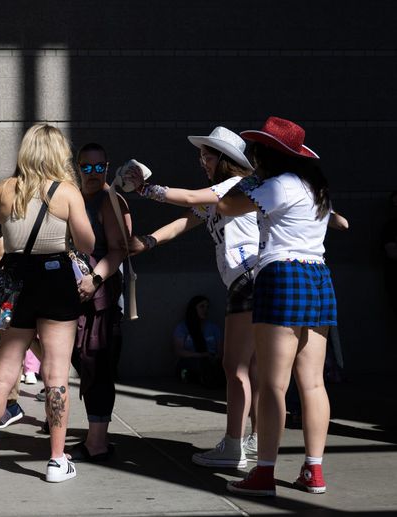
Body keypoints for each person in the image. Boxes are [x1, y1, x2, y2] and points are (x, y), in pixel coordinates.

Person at [219, 116, 337, 496]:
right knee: (314, 382)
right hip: (319, 277)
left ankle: (264, 473)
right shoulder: (313, 186)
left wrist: (247, 181)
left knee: (273, 383)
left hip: (282, 275)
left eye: (256, 153)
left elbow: (227, 207)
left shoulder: (276, 185)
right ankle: (313, 471)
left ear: (267, 155)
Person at [128, 126, 260, 468]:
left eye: (208, 155)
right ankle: (254, 440)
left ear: (226, 160)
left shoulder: (233, 186)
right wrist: (150, 241)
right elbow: (185, 221)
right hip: (251, 279)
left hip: (249, 278)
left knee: (235, 366)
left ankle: (235, 446)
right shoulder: (224, 194)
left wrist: (145, 188)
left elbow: (188, 199)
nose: (202, 161)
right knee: (254, 368)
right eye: (201, 155)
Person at [0, 123, 95, 483]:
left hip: (15, 281)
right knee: (56, 374)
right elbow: (87, 244)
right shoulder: (68, 192)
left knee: (2, 374)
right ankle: (57, 461)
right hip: (55, 279)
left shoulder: (4, 190)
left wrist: (4, 220)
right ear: (59, 154)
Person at [67, 142, 131, 463]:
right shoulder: (75, 197)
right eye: (86, 167)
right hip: (73, 296)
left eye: (98, 167)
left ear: (107, 167)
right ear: (77, 167)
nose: (92, 173)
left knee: (97, 365)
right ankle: (96, 437)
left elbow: (120, 248)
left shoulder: (110, 201)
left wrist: (94, 279)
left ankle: (97, 443)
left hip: (100, 299)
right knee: (82, 362)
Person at [172, 295, 223, 386]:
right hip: (191, 359)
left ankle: (208, 378)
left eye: (207, 307)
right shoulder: (183, 327)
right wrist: (201, 355)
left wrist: (215, 358)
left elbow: (220, 351)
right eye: (202, 306)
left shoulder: (214, 328)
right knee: (197, 365)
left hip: (210, 360)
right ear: (193, 308)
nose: (205, 310)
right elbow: (179, 351)